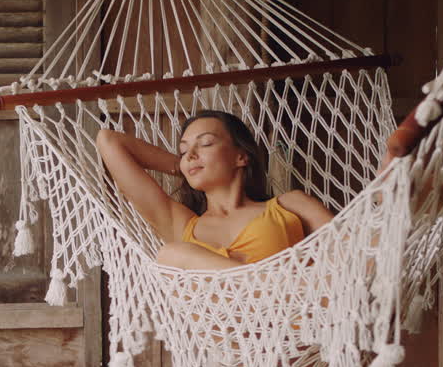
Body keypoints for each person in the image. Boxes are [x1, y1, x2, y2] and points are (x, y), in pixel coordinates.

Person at [95, 109, 334, 270]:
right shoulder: (180, 224)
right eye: (183, 150)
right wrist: (184, 165)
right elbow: (109, 141)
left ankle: (262, 285)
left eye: (206, 143)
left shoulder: (289, 205)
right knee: (171, 255)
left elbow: (349, 248)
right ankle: (261, 281)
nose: (190, 154)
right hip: (229, 338)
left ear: (241, 156)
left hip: (292, 326)